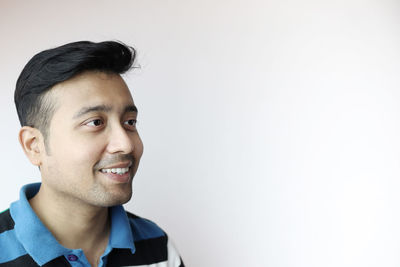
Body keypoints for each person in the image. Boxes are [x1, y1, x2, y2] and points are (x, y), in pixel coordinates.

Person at [0, 41, 185, 267]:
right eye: (95, 122)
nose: (125, 144)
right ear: (34, 145)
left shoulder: (158, 246)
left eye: (130, 122)